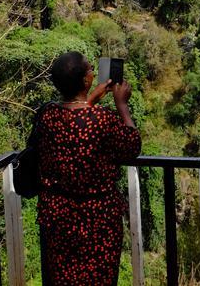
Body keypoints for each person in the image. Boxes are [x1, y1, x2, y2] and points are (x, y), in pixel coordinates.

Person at [36, 51, 141, 286]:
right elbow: (132, 146)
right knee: (99, 279)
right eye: (90, 69)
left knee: (64, 279)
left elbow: (75, 119)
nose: (94, 72)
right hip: (97, 220)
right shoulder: (102, 119)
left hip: (59, 217)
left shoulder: (47, 115)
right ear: (86, 80)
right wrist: (121, 105)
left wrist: (89, 100)